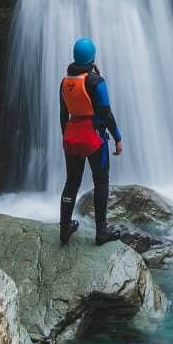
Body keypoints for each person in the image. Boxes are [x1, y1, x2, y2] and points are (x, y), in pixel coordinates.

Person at [59, 38, 124, 247]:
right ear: (92, 57)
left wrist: (65, 137)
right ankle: (101, 231)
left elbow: (63, 113)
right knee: (101, 181)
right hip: (93, 136)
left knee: (72, 182)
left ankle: (65, 228)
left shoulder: (65, 81)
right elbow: (106, 113)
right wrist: (118, 138)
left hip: (71, 135)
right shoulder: (96, 81)